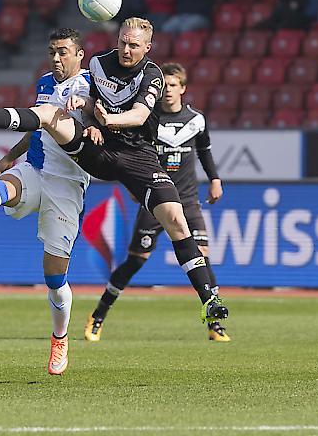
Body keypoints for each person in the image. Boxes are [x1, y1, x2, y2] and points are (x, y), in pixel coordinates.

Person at [0, 17, 229, 329]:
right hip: (96, 152)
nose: (127, 49)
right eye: (123, 42)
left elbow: (140, 115)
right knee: (50, 114)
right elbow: (92, 104)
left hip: (138, 156)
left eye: (134, 45)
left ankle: (209, 299)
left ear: (147, 48)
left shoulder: (152, 74)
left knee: (175, 218)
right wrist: (87, 106)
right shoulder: (99, 64)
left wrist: (107, 119)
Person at [0, 28, 98, 376]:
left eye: (64, 52)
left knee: (54, 278)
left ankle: (60, 337)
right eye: (53, 51)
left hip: (68, 186)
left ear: (80, 55)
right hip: (35, 168)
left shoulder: (90, 86)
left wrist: (93, 117)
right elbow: (37, 124)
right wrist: (10, 157)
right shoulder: (44, 83)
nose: (56, 58)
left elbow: (98, 124)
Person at [85, 62, 230, 343]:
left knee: (201, 254)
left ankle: (215, 323)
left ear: (183, 88)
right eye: (165, 86)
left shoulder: (196, 120)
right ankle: (99, 314)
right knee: (136, 261)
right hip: (153, 200)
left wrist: (215, 179)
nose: (168, 92)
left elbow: (205, 151)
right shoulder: (146, 119)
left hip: (187, 201)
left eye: (174, 86)